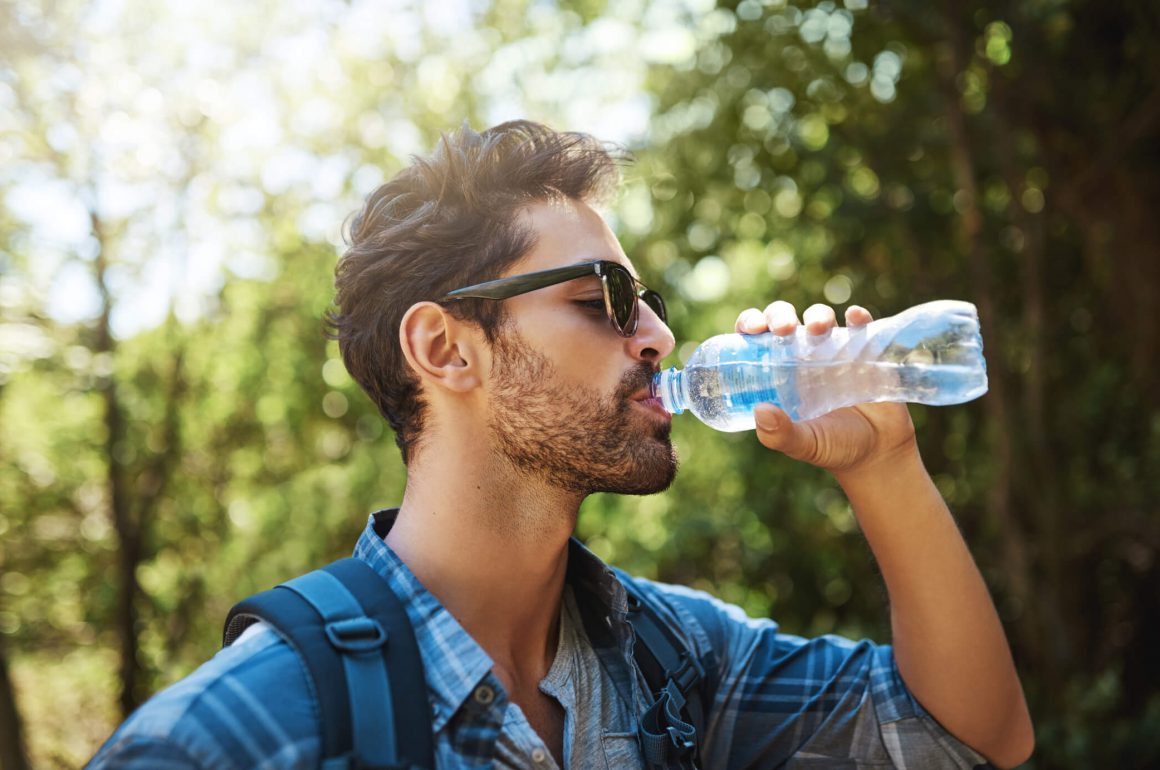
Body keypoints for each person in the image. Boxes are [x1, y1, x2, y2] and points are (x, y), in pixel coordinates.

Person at [87, 121, 1034, 769]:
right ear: (446, 349)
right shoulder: (232, 738)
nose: (658, 337)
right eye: (603, 302)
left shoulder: (677, 660)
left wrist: (883, 467)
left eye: (649, 303)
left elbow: (970, 742)